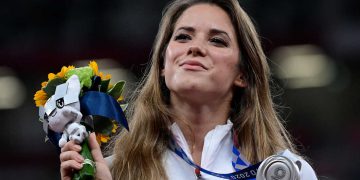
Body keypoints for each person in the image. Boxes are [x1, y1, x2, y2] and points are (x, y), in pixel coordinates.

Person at [59, 0, 318, 179]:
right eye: (183, 37)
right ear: (162, 64)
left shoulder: (284, 173)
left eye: (217, 40)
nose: (195, 48)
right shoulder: (116, 171)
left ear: (242, 74)